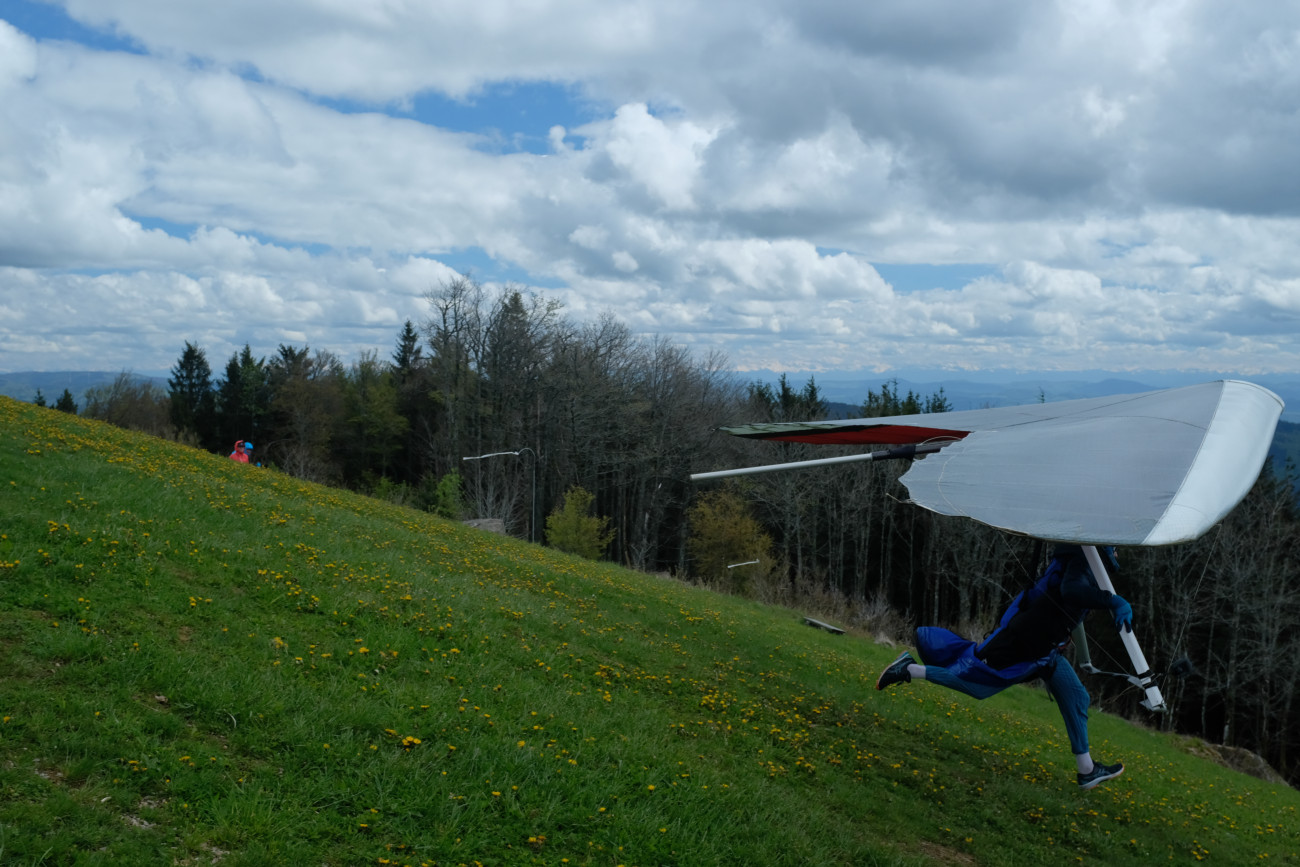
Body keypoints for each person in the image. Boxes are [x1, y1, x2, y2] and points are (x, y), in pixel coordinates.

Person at [875, 544, 1131, 790]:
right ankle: (909, 669)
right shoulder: (1082, 562)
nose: (1118, 553)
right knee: (978, 686)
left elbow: (1069, 611)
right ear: (1103, 550)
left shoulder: (1078, 561)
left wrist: (1085, 652)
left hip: (1045, 650)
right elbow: (1071, 591)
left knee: (1076, 696)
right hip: (1022, 645)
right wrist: (1113, 601)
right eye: (1115, 548)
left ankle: (1087, 770)